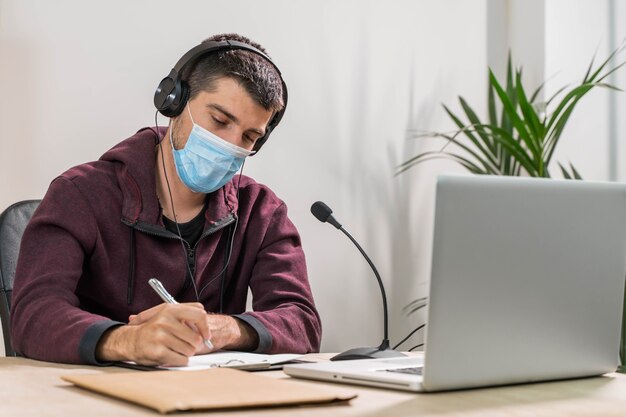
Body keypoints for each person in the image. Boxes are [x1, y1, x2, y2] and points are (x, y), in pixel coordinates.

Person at [10, 33, 322, 366]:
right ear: (173, 102)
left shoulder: (261, 211)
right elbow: (33, 315)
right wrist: (127, 341)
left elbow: (302, 323)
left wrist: (225, 329)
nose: (231, 144)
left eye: (249, 136)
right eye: (219, 120)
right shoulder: (79, 194)